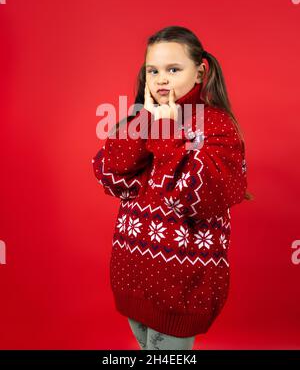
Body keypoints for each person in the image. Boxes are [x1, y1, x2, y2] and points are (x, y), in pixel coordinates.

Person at [92, 25, 253, 350]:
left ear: (199, 72)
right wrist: (146, 124)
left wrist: (165, 131)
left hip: (182, 284)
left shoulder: (216, 125)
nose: (161, 78)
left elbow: (197, 196)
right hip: (132, 274)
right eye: (153, 70)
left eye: (173, 69)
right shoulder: (142, 119)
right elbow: (109, 173)